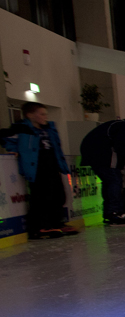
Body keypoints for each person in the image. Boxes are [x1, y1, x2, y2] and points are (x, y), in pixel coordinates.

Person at [1, 102, 74, 239]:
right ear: (30, 115)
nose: (45, 117)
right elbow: (6, 139)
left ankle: (56, 222)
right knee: (41, 196)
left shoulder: (49, 128)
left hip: (52, 164)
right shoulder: (21, 129)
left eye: (45, 114)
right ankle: (40, 226)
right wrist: (14, 150)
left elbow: (56, 147)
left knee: (58, 194)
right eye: (41, 114)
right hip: (36, 167)